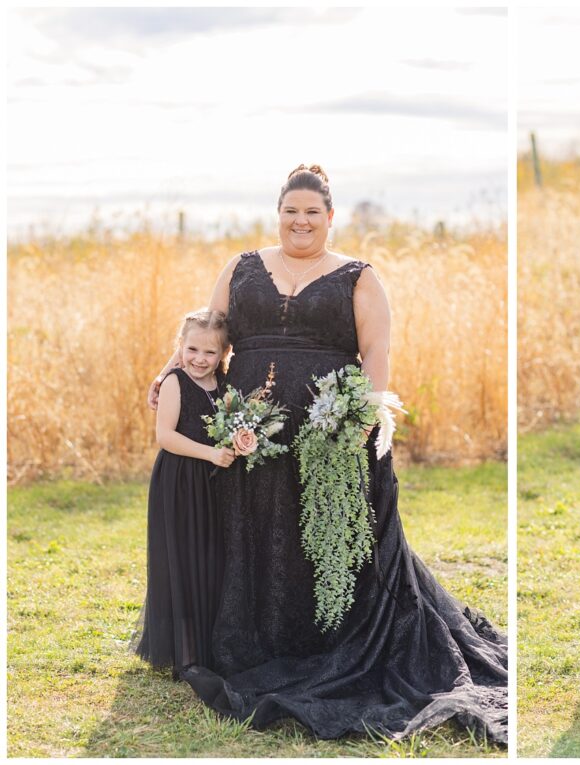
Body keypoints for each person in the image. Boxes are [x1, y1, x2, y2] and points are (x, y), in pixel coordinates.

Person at [147, 165, 507, 743]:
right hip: (252, 436)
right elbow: (209, 333)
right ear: (279, 213)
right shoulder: (241, 268)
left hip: (328, 438)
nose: (301, 221)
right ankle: (254, 638)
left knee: (327, 539)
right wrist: (168, 373)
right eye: (291, 210)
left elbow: (376, 354)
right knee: (255, 532)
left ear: (330, 217)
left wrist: (362, 420)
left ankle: (331, 638)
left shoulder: (359, 277)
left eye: (312, 212)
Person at [134, 309, 235, 677]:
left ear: (223, 354)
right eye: (192, 349)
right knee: (183, 558)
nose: (199, 359)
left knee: (210, 558)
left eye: (210, 353)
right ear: (180, 347)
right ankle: (184, 649)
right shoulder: (176, 381)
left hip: (212, 482)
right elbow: (166, 437)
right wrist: (211, 453)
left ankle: (211, 644)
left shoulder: (223, 385)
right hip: (180, 479)